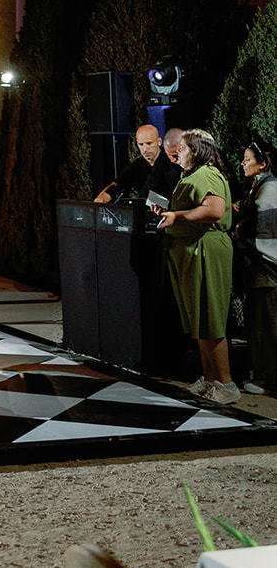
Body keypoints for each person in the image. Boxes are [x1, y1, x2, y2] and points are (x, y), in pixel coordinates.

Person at [157, 126, 238, 403]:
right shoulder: (191, 175)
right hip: (192, 250)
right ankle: (211, 378)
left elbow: (214, 209)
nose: (180, 151)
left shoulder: (207, 174)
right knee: (201, 317)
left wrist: (177, 216)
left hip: (207, 249)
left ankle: (226, 384)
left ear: (199, 150)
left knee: (211, 315)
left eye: (185, 147)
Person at [233, 137, 277, 395]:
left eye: (248, 159)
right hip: (262, 269)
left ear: (262, 164)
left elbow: (268, 234)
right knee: (261, 323)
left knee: (267, 324)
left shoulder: (269, 189)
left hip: (268, 270)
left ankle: (267, 380)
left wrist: (241, 238)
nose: (243, 163)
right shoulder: (260, 186)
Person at [94, 123, 178, 204]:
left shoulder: (172, 161)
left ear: (159, 142)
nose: (145, 149)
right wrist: (101, 200)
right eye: (141, 144)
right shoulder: (138, 164)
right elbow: (119, 183)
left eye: (149, 143)